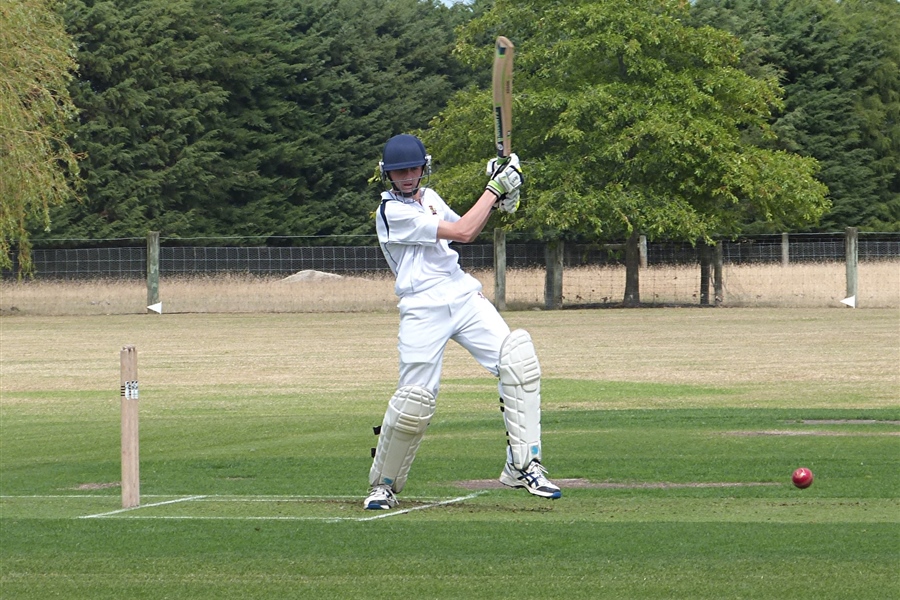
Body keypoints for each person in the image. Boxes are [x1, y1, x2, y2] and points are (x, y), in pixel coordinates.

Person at [364, 133, 561, 510]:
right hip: (422, 306)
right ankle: (383, 485)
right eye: (399, 171)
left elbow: (470, 226)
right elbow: (464, 231)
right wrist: (493, 188)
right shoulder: (390, 213)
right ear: (387, 175)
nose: (407, 176)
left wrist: (503, 199)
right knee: (414, 400)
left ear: (424, 167)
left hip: (461, 293)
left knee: (516, 361)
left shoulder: (431, 198)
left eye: (413, 168)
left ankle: (523, 466)